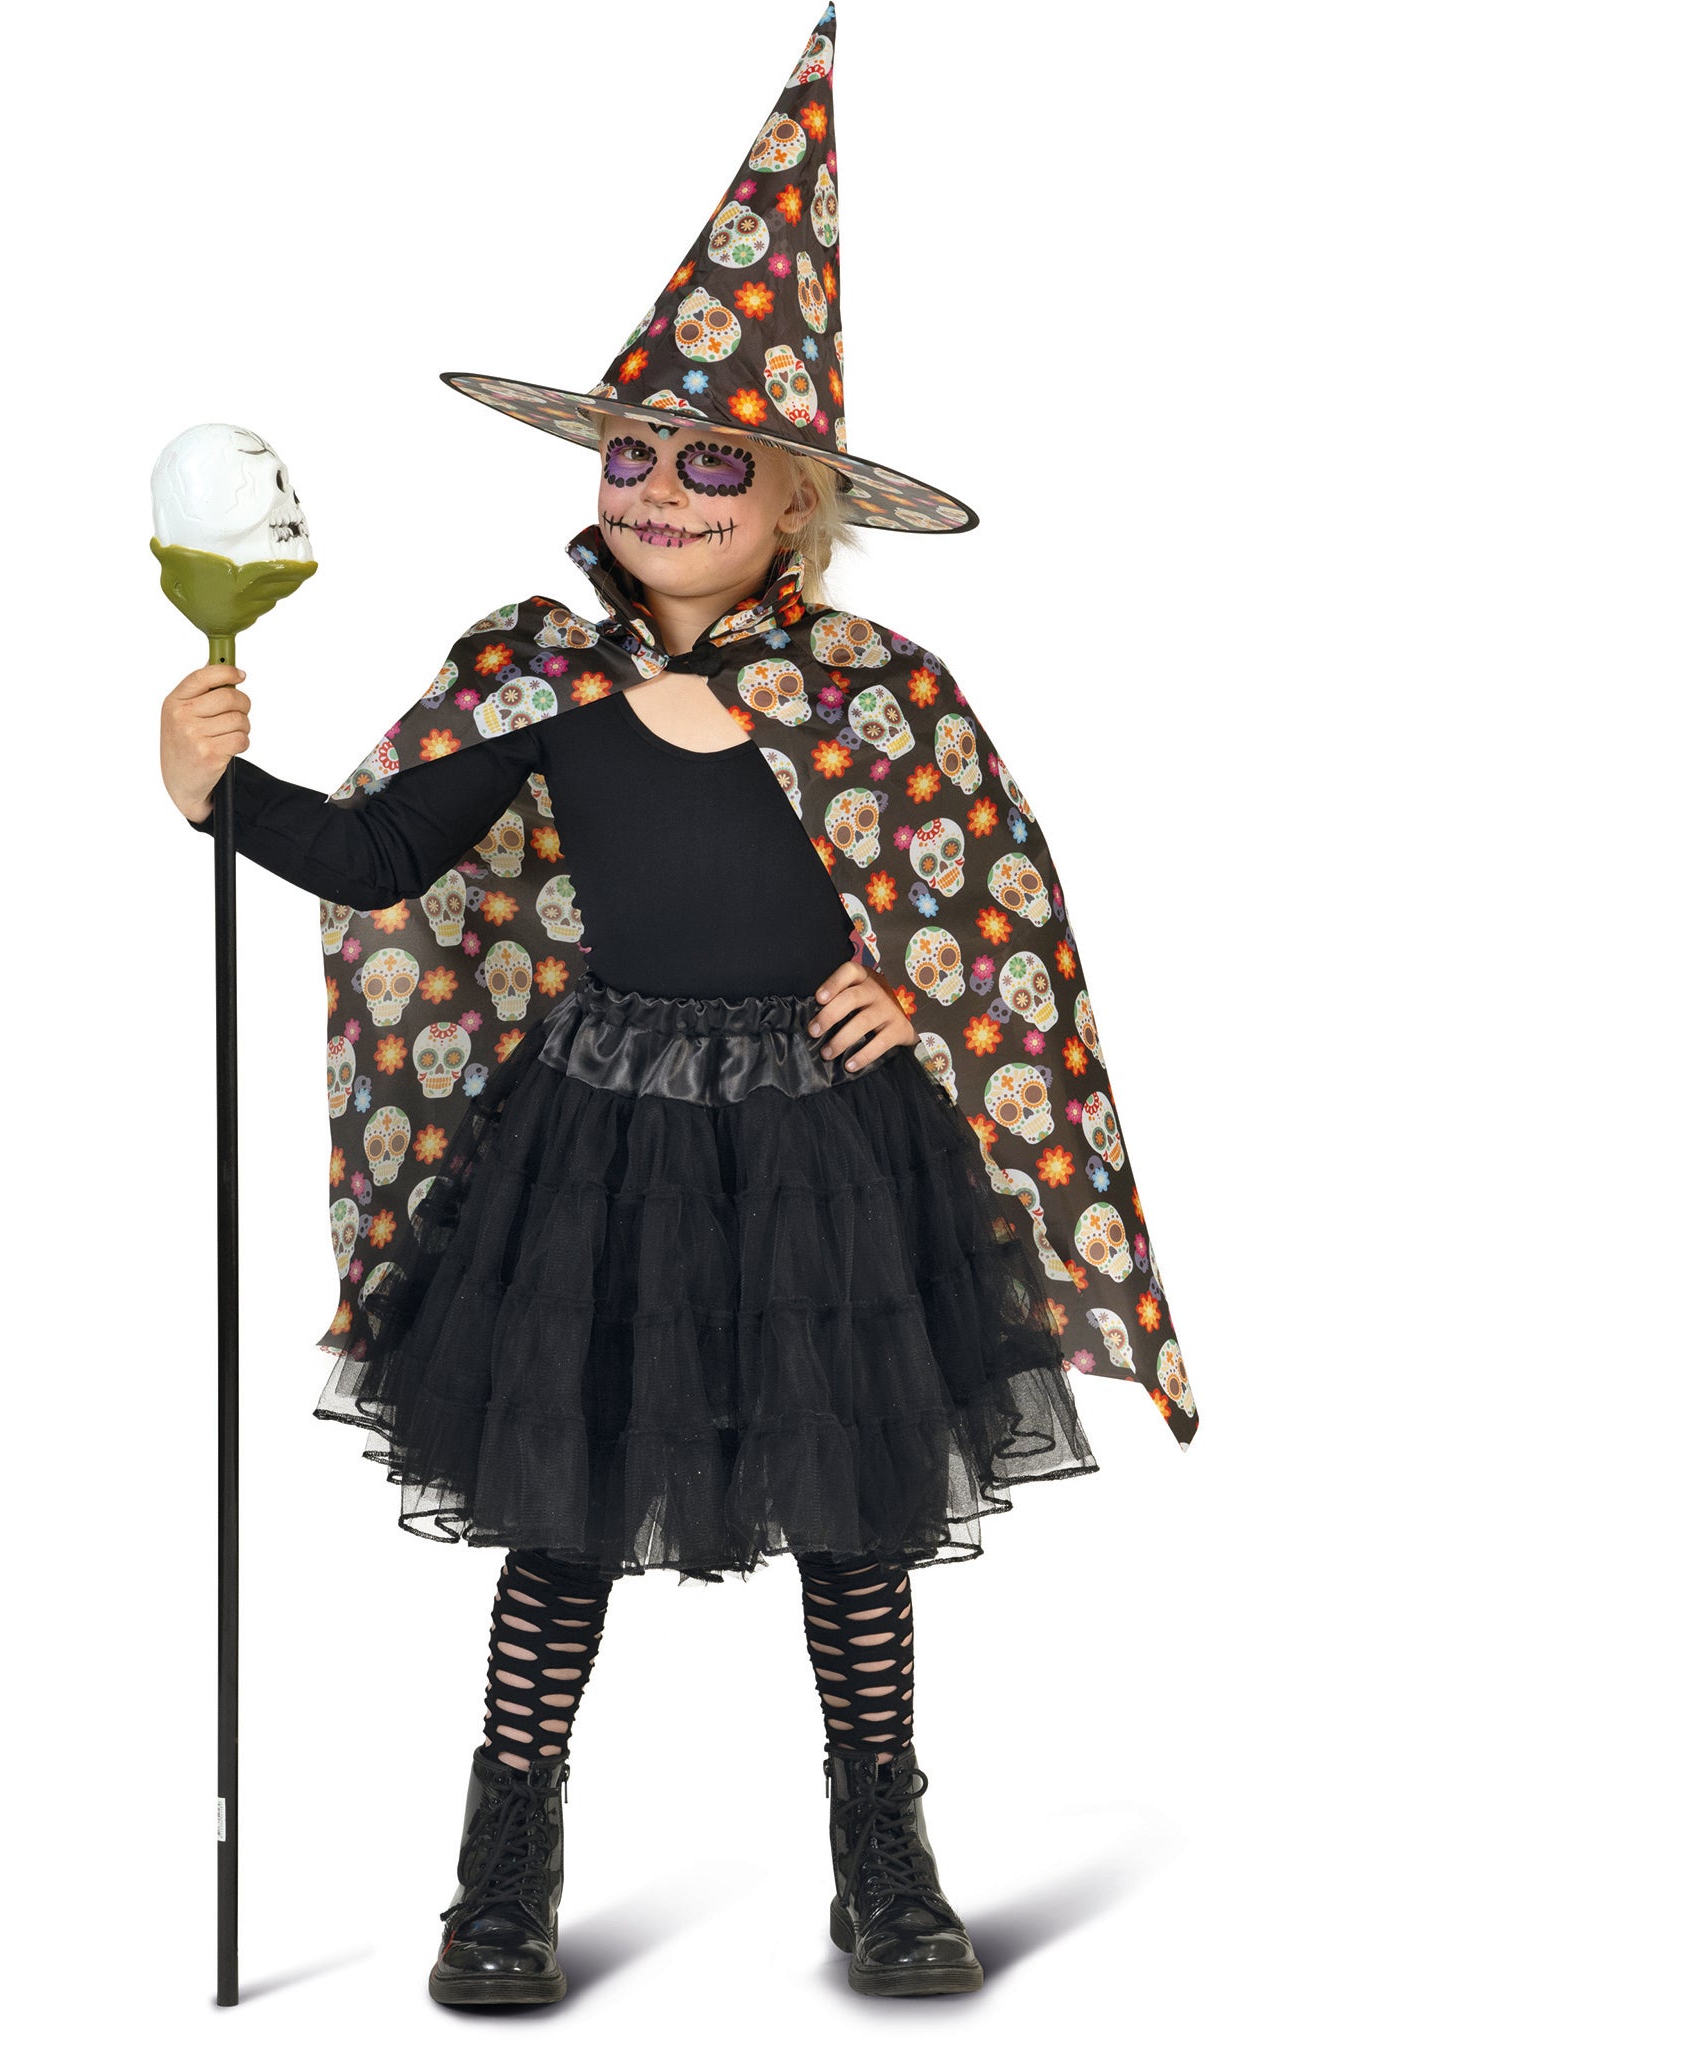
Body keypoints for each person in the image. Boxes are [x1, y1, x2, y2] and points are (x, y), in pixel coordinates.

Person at [159, 4, 1194, 2007]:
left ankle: (883, 1846)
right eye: (630, 455)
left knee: (859, 1513)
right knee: (560, 1508)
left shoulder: (882, 695)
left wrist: (913, 993)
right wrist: (220, 792)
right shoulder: (537, 672)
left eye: (708, 461)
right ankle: (504, 1864)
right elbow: (381, 860)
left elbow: (990, 916)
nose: (656, 490)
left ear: (793, 502)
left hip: (827, 1145)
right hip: (603, 1136)